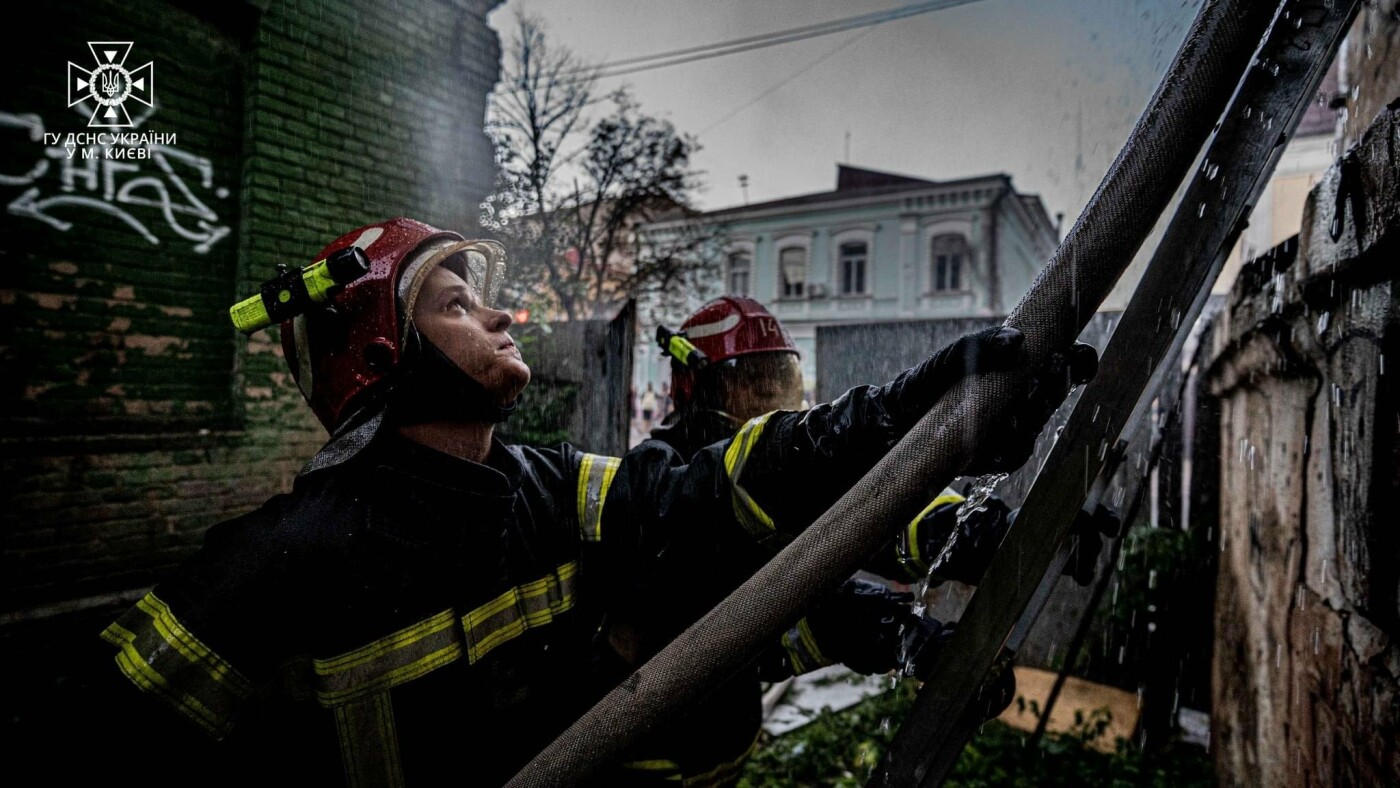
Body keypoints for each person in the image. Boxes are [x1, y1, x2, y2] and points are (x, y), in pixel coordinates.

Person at [77, 218, 1094, 786]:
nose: (502, 310)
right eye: (455, 301)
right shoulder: (278, 560)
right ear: (383, 354)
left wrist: (912, 422)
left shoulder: (546, 485)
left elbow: (707, 501)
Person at [609, 296, 1074, 784]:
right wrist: (891, 630)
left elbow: (866, 518)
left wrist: (984, 532)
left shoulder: (765, 473)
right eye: (753, 386)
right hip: (647, 765)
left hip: (726, 753)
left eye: (780, 384)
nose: (772, 405)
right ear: (698, 386)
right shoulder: (669, 484)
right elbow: (745, 611)